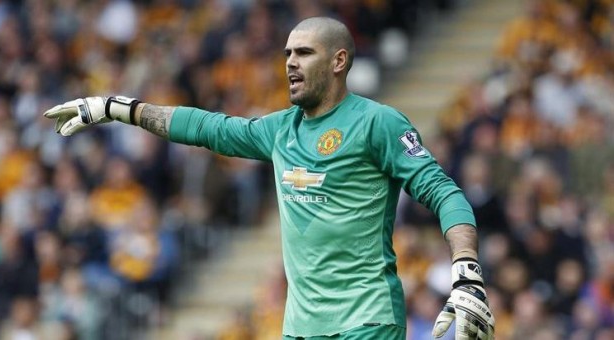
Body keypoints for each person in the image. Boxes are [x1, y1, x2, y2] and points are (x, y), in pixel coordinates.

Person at [44, 16, 495, 340]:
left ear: (339, 61)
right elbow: (206, 128)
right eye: (286, 54)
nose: (290, 63)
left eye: (303, 52)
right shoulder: (280, 130)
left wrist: (467, 271)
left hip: (367, 320)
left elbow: (444, 191)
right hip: (300, 327)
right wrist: (117, 108)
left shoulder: (378, 123)